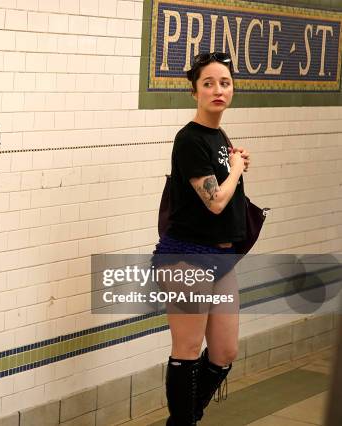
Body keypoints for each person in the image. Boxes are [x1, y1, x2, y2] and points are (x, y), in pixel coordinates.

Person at [153, 52, 251, 425]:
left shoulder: (219, 136)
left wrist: (235, 164)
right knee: (189, 347)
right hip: (187, 256)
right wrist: (237, 169)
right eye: (208, 83)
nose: (217, 90)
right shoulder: (190, 139)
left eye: (224, 83)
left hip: (222, 258)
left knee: (224, 351)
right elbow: (215, 201)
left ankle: (188, 415)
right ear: (194, 91)